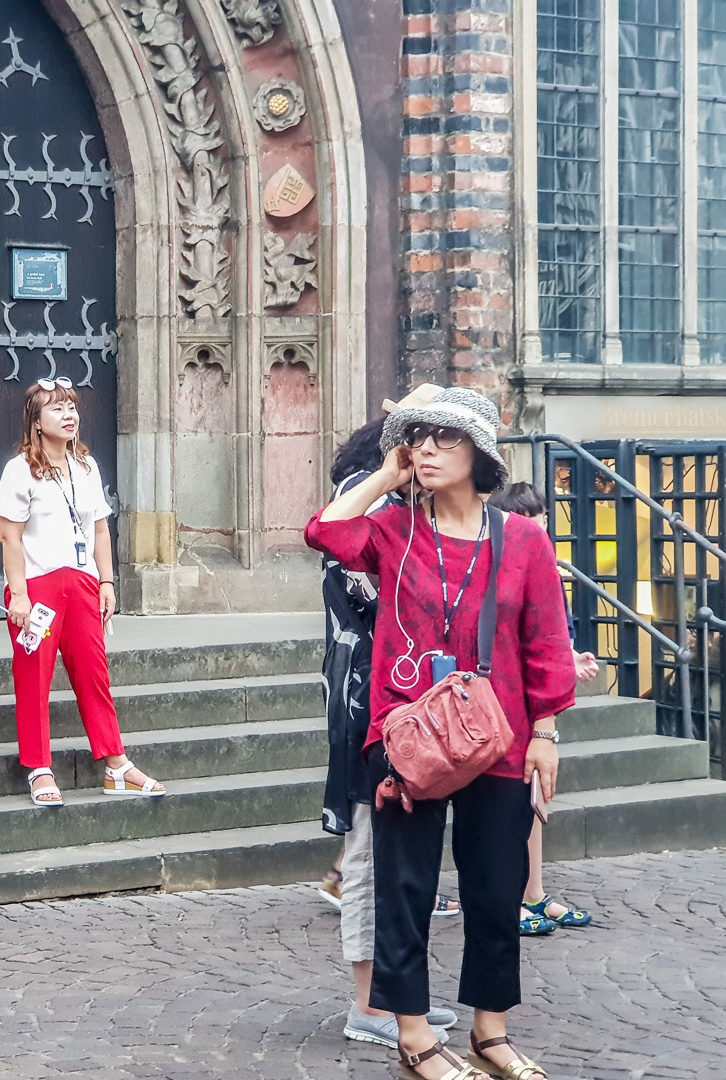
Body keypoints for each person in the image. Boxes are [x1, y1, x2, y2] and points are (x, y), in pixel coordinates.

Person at [305, 388, 576, 1080]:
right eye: (417, 438)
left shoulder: (523, 540)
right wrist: (385, 476)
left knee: (495, 888)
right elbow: (325, 532)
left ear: (478, 454)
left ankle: (490, 1033)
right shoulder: (394, 530)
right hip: (408, 737)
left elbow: (546, 639)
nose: (425, 449)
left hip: (500, 736)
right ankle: (414, 1037)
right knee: (405, 888)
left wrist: (546, 732)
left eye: (442, 438)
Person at [320, 402, 461, 1050]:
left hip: (405, 700)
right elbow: (351, 562)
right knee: (369, 853)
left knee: (401, 854)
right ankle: (368, 1003)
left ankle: (399, 995)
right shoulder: (372, 501)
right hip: (368, 700)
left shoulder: (416, 510)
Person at [0, 378, 163, 806]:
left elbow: (100, 529)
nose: (69, 415)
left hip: (82, 583)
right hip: (39, 586)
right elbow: (9, 537)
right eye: (57, 409)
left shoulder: (86, 467)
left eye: (71, 406)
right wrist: (19, 595)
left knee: (93, 673)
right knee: (34, 677)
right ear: (36, 422)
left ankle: (116, 764)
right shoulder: (20, 470)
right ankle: (39, 768)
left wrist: (106, 581)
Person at [487, 481, 596, 935]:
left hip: (534, 707)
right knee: (508, 806)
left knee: (534, 800)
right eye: (530, 520)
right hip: (503, 705)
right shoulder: (503, 561)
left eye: (543, 519)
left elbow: (548, 635)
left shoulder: (542, 562)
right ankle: (511, 897)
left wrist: (568, 659)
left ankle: (532, 892)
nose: (540, 528)